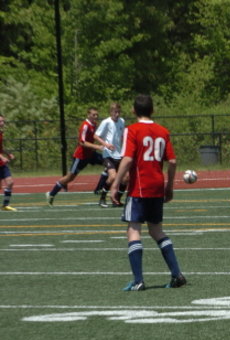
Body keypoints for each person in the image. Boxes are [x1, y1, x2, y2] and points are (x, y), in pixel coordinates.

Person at [110, 94, 186, 291]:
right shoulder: (163, 131)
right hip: (157, 186)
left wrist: (115, 184)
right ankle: (177, 274)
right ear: (153, 110)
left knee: (133, 229)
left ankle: (138, 280)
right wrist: (169, 186)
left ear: (133, 110)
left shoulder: (132, 129)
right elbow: (172, 161)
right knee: (156, 230)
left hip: (140, 187)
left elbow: (127, 159)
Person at [46, 107, 105, 206]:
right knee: (70, 178)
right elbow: (82, 142)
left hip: (91, 154)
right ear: (88, 115)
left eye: (97, 115)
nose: (95, 116)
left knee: (108, 163)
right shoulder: (85, 125)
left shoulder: (94, 125)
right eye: (93, 115)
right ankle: (51, 194)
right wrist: (97, 147)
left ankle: (100, 189)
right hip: (81, 157)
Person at [93, 102, 126, 207]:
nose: (117, 114)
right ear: (111, 112)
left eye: (118, 112)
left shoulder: (122, 121)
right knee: (113, 177)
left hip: (119, 154)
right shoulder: (106, 122)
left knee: (126, 178)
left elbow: (122, 136)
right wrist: (106, 144)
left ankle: (117, 200)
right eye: (115, 112)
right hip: (108, 154)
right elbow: (96, 136)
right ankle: (102, 199)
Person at [0, 114, 17, 211]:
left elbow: (0, 148)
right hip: (1, 160)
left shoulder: (1, 133)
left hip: (1, 164)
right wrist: (2, 157)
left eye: (3, 121)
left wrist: (8, 154)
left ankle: (5, 205)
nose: (2, 123)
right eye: (0, 121)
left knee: (10, 182)